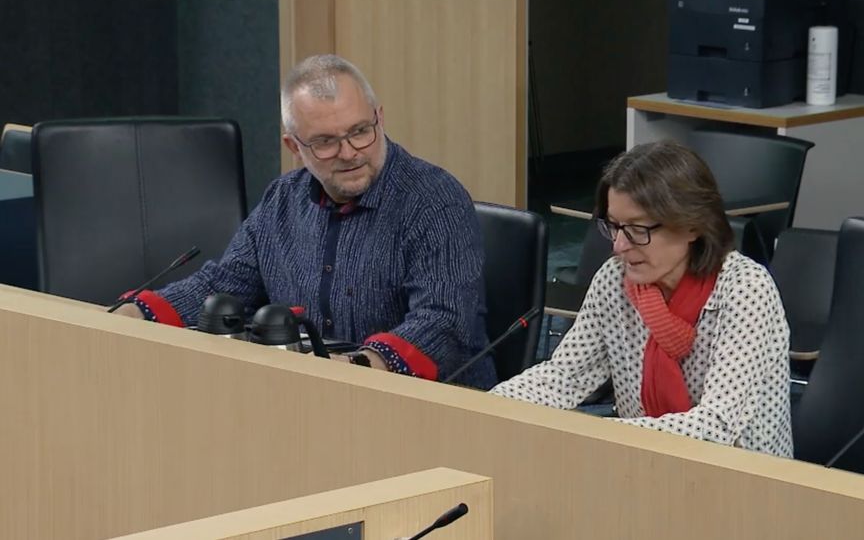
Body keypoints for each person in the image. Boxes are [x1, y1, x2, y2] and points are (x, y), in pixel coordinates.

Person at [115, 54, 496, 389]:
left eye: (360, 131)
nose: (349, 153)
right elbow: (225, 286)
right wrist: (135, 315)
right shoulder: (283, 198)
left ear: (380, 118)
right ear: (294, 147)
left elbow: (444, 323)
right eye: (326, 142)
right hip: (307, 396)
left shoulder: (434, 201)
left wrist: (356, 367)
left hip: (425, 408)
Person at [491, 141, 792, 457]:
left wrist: (603, 434)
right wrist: (488, 406)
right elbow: (563, 377)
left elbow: (718, 425)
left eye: (636, 229)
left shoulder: (745, 288)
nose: (619, 246)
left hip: (745, 484)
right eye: (614, 227)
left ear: (692, 225)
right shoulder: (615, 279)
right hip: (642, 462)